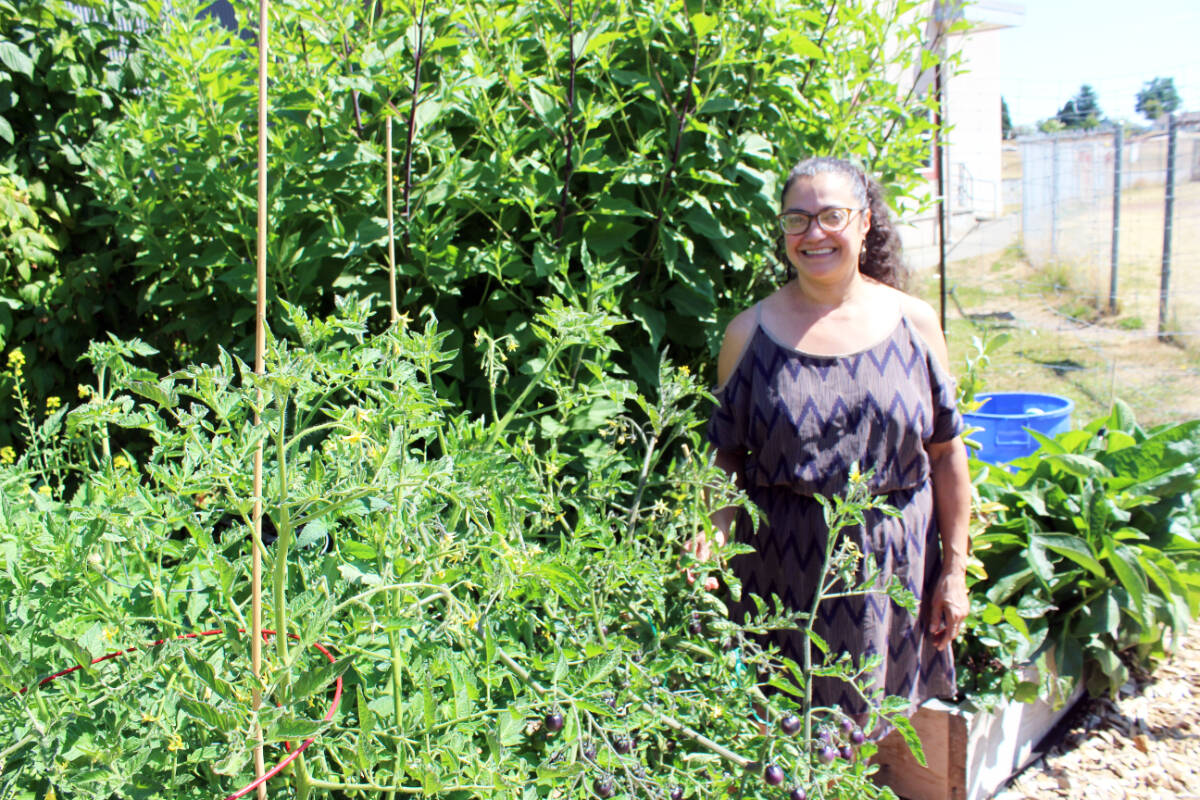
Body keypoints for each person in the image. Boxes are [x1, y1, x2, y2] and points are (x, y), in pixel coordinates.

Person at [694, 156, 970, 732]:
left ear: (864, 222)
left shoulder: (915, 325)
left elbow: (946, 454)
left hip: (889, 572)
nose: (813, 233)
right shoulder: (749, 334)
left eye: (831, 216)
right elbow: (726, 453)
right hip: (780, 574)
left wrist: (955, 570)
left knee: (862, 734)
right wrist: (712, 537)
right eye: (796, 219)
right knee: (781, 733)